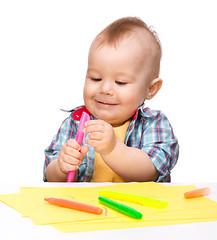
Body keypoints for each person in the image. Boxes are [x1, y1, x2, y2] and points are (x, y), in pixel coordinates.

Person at [43, 17, 179, 183]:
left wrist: (113, 149)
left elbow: (151, 171)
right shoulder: (75, 123)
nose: (105, 89)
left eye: (120, 82)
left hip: (139, 207)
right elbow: (50, 177)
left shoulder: (153, 123)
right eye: (95, 78)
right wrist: (61, 167)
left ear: (150, 89)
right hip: (85, 207)